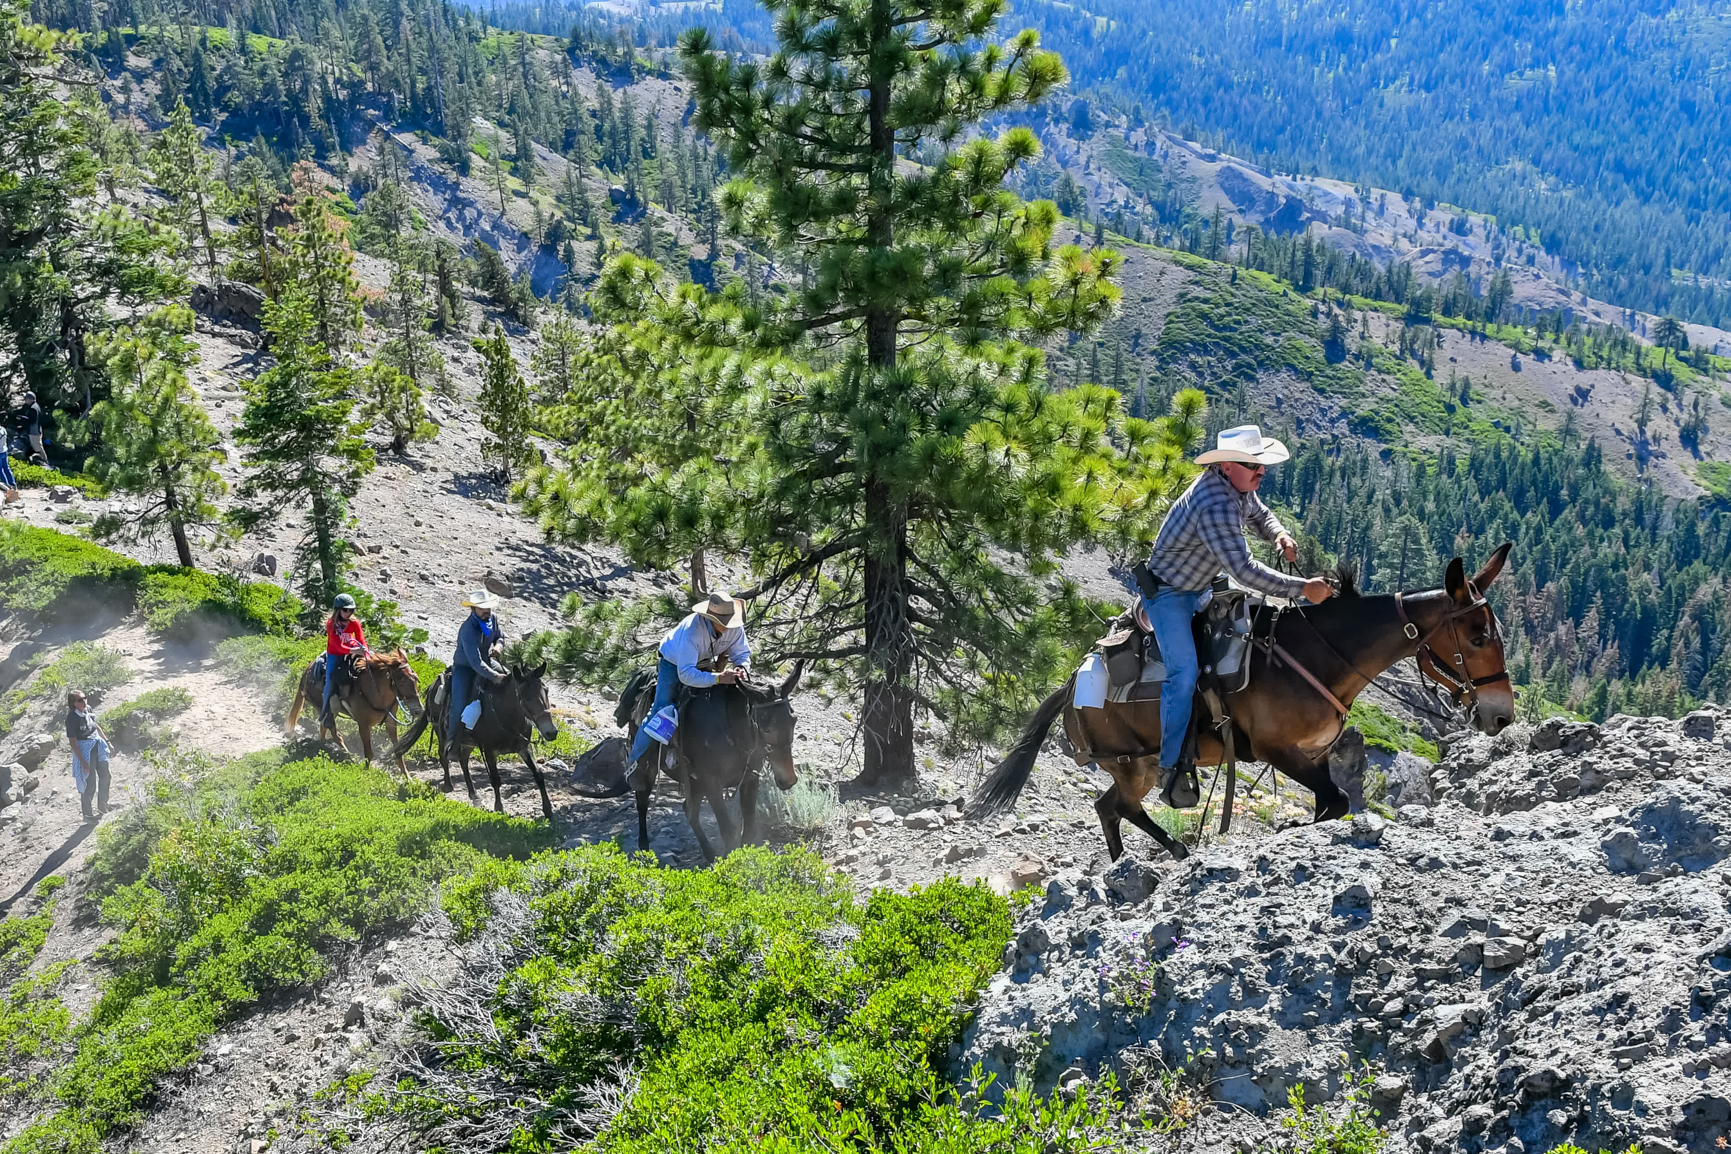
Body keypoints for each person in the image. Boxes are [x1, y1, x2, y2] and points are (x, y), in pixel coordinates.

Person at [1144, 424, 1333, 803]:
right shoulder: (1214, 502)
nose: (1260, 472)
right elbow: (1245, 571)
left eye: (1262, 466)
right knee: (1183, 673)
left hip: (1204, 586)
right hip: (1171, 596)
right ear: (1227, 465)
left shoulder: (1236, 486)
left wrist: (1279, 534)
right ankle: (1170, 769)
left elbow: (1260, 513)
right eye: (1253, 466)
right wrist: (1302, 589)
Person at [626, 591, 752, 771]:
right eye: (724, 621)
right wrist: (718, 678)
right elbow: (685, 674)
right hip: (673, 663)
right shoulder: (692, 631)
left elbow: (742, 654)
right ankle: (634, 762)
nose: (728, 625)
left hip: (703, 661)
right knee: (661, 711)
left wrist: (741, 668)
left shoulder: (735, 627)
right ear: (711, 618)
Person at [449, 589, 510, 751]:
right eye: (482, 608)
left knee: (512, 682)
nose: (486, 611)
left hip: (487, 661)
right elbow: (475, 663)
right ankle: (452, 743)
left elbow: (500, 636)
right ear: (473, 609)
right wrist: (495, 676)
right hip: (466, 667)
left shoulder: (492, 619)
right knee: (459, 703)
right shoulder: (467, 629)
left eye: (488, 607)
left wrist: (498, 646)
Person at [322, 593, 368, 731]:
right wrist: (355, 651)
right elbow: (338, 646)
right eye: (345, 610)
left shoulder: (355, 623)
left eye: (351, 610)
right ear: (338, 610)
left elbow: (361, 639)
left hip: (353, 651)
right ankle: (326, 713)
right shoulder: (331, 624)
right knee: (330, 679)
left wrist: (365, 651)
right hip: (335, 655)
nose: (348, 613)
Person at [65, 690, 111, 821]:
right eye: (80, 700)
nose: (84, 701)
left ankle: (103, 805)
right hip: (84, 749)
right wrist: (83, 762)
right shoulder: (72, 718)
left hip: (97, 745)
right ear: (73, 703)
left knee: (105, 776)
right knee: (89, 783)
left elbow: (95, 726)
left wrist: (107, 741)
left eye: (85, 698)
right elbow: (73, 742)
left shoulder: (88, 709)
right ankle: (88, 814)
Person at [19, 391, 44, 466]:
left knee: (37, 448)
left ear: (31, 399)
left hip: (34, 432)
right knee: (39, 447)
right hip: (37, 430)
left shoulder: (33, 409)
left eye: (26, 398)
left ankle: (44, 462)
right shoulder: (36, 406)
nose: (25, 400)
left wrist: (23, 420)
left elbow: (32, 421)